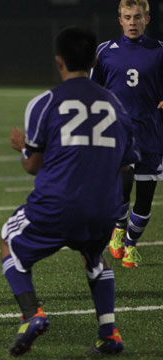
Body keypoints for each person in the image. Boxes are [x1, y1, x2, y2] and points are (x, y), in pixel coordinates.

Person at [0, 26, 140, 356]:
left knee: (9, 240)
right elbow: (125, 166)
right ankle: (109, 334)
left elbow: (32, 166)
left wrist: (23, 148)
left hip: (57, 204)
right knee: (94, 257)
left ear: (58, 62)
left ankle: (32, 314)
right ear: (94, 59)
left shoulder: (45, 102)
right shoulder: (116, 104)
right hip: (104, 208)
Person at [90, 0, 163, 268]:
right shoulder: (106, 52)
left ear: (147, 19)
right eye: (127, 17)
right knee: (121, 189)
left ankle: (131, 243)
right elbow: (92, 90)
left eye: (137, 17)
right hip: (118, 131)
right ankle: (119, 226)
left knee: (145, 195)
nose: (132, 22)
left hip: (150, 132)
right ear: (120, 20)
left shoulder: (159, 52)